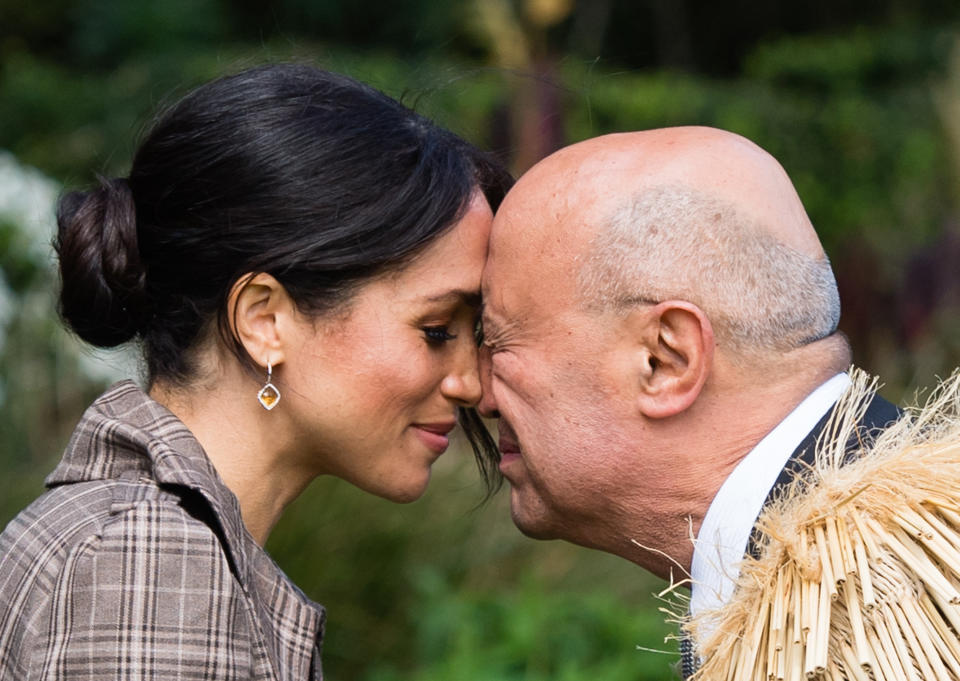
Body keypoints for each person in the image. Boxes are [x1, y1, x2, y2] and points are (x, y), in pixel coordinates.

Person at [0, 63, 511, 679]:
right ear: (264, 320)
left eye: (474, 333)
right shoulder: (152, 566)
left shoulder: (131, 537)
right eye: (436, 331)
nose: (471, 383)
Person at [478, 126, 960, 679]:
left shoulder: (869, 628)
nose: (479, 392)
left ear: (665, 360)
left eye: (497, 340)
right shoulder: (888, 575)